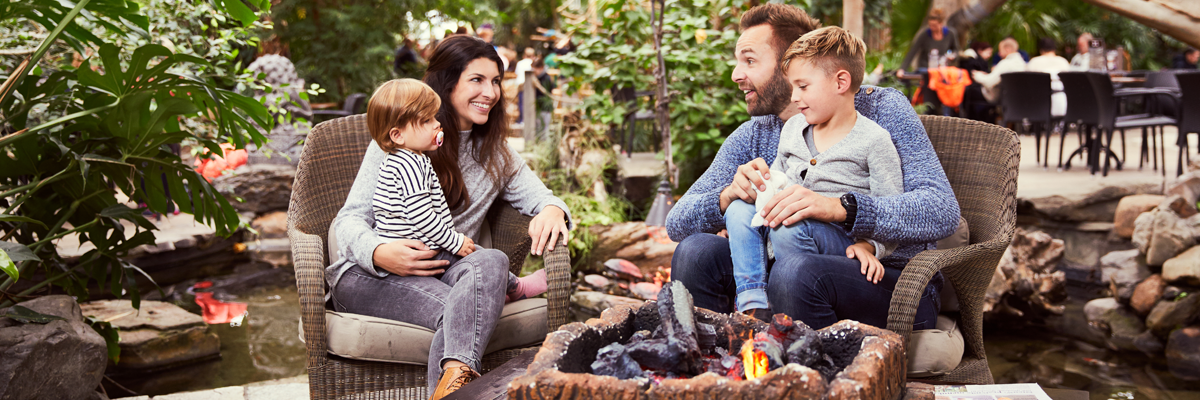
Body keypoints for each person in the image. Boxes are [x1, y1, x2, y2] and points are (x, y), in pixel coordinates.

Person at [667, 3, 958, 331]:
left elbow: (941, 209)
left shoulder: (880, 110)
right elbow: (676, 223)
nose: (736, 74)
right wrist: (727, 197)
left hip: (888, 279)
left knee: (793, 271)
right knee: (695, 252)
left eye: (749, 61)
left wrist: (840, 209)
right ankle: (720, 368)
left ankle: (805, 374)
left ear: (791, 63)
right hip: (781, 263)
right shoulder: (754, 135)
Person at [327, 35, 572, 400]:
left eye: (495, 81)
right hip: (369, 277)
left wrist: (553, 211)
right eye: (477, 80)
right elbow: (348, 219)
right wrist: (378, 251)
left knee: (492, 261)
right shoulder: (400, 142)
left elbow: (544, 198)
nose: (490, 92)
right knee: (467, 311)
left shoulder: (496, 154)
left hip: (444, 272)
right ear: (447, 83)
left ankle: (448, 390)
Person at [724, 26, 901, 320]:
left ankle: (793, 307)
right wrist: (762, 190)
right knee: (738, 209)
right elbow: (779, 178)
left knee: (790, 224)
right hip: (786, 224)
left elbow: (892, 210)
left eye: (803, 87)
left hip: (836, 241)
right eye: (793, 87)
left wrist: (869, 245)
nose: (794, 97)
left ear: (841, 82)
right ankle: (753, 303)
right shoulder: (794, 128)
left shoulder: (874, 140)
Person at [972, 37, 1026, 104]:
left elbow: (989, 83)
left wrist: (977, 75)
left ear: (1007, 49)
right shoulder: (1022, 64)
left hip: (996, 98)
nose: (999, 54)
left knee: (969, 91)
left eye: (1000, 50)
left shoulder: (1006, 63)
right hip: (1014, 100)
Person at [1027, 37, 1070, 117]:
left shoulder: (1034, 62)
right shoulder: (1063, 62)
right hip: (1061, 105)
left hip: (1037, 106)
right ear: (1054, 49)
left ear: (1041, 50)